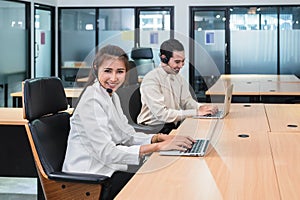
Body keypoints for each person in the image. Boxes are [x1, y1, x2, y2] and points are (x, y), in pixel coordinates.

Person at [62, 45, 195, 200]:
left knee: (163, 175)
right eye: (107, 71)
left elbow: (127, 135)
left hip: (108, 170)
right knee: (157, 183)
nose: (113, 78)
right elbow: (107, 152)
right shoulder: (91, 100)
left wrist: (158, 138)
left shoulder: (111, 96)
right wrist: (157, 147)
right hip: (90, 178)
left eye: (120, 72)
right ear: (96, 68)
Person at [137, 39, 218, 134]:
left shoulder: (178, 77)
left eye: (183, 61)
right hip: (154, 129)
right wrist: (196, 112)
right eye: (177, 62)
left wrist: (204, 108)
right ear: (164, 58)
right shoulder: (151, 80)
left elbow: (187, 102)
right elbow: (162, 115)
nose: (181, 65)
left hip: (172, 125)